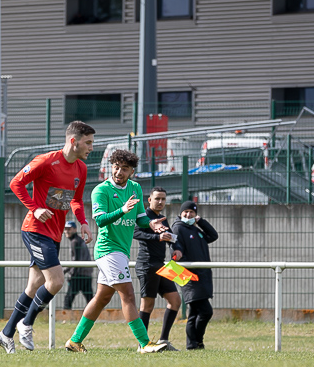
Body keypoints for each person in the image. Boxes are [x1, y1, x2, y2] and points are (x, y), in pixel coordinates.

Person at [0, 121, 94, 354]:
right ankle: (26, 323)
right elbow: (16, 183)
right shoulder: (46, 161)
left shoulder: (81, 168)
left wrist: (83, 223)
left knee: (34, 285)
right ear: (73, 141)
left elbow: (76, 200)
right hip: (35, 230)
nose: (91, 147)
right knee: (56, 281)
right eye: (88, 142)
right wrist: (34, 208)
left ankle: (6, 334)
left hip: (54, 233)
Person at [65, 149, 170, 353]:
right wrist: (122, 210)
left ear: (132, 171)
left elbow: (140, 218)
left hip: (121, 250)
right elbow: (101, 219)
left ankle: (74, 341)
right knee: (129, 296)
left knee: (102, 298)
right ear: (110, 167)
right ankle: (145, 343)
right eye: (116, 167)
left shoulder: (135, 188)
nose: (119, 172)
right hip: (108, 250)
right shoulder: (101, 190)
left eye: (124, 169)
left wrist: (152, 224)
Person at [134, 186, 182, 349]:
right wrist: (157, 237)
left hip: (161, 265)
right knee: (147, 305)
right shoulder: (143, 216)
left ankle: (163, 340)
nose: (160, 202)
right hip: (146, 264)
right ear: (149, 200)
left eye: (163, 199)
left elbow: (170, 237)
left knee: (175, 300)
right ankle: (142, 344)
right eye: (157, 199)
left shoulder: (162, 218)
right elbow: (135, 232)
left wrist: (176, 248)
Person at [170, 200, 219, 350]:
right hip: (189, 276)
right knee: (205, 311)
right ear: (181, 213)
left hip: (203, 275)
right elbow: (175, 247)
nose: (188, 214)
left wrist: (201, 222)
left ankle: (195, 344)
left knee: (195, 312)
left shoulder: (195, 229)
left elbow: (213, 235)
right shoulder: (178, 228)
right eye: (186, 212)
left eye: (192, 212)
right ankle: (195, 342)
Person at [62, 219, 94, 311]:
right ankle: (93, 316)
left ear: (75, 230)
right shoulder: (79, 240)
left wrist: (65, 271)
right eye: (65, 229)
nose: (67, 231)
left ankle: (66, 318)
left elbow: (75, 260)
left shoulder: (75, 242)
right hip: (87, 274)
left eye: (69, 229)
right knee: (90, 299)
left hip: (78, 275)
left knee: (68, 298)